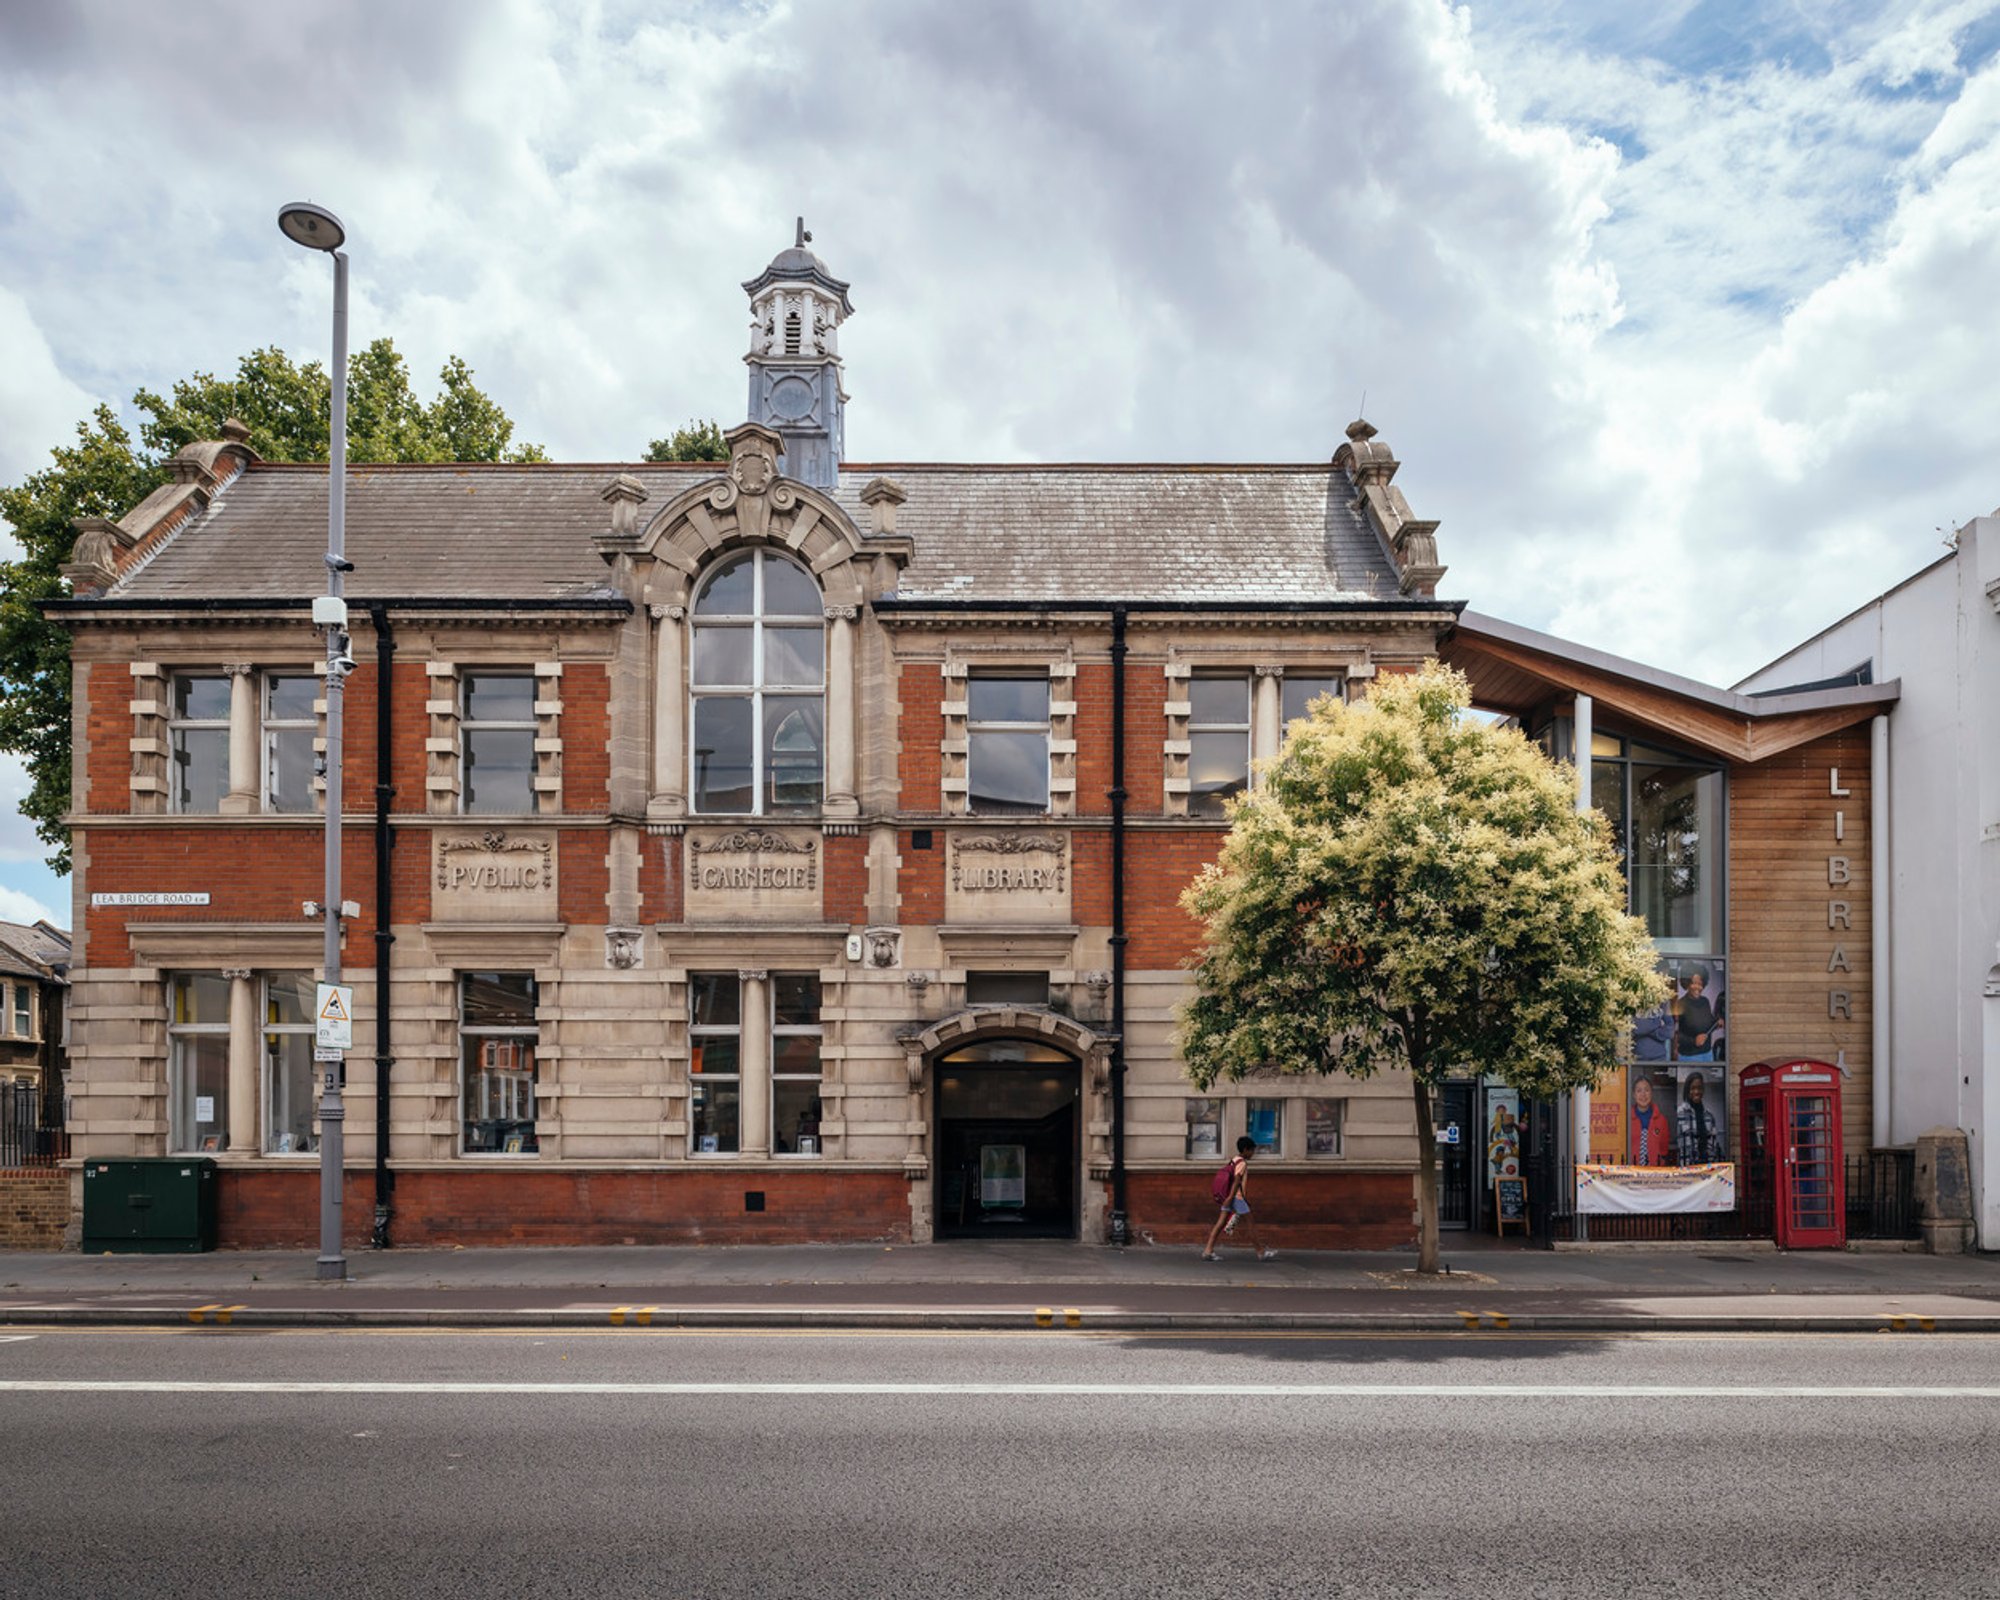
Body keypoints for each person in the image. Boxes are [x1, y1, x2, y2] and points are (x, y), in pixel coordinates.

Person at [1202, 1135, 1277, 1261]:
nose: (1253, 1153)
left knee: (1220, 1224)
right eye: (1252, 1150)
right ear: (1246, 1150)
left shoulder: (1234, 1159)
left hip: (1228, 1196)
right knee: (1250, 1224)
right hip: (1237, 1198)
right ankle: (1260, 1252)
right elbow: (1237, 1181)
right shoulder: (1242, 1163)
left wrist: (1228, 1198)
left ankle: (1208, 1250)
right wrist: (1231, 1197)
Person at [1628, 1074, 1675, 1166]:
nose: (1643, 1094)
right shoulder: (1626, 1119)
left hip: (1655, 1173)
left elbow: (1664, 1150)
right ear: (1633, 1094)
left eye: (1646, 1090)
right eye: (1639, 1091)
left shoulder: (1662, 1120)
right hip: (1631, 1172)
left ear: (1652, 1093)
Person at [1677, 1071, 1722, 1164]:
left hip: (1706, 1168)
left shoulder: (1709, 1116)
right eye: (1693, 1088)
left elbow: (1713, 1145)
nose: (1696, 1092)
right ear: (1687, 1090)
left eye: (1699, 1088)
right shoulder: (1679, 1113)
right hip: (1686, 1170)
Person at [1674, 969, 1718, 1062]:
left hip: (1708, 1054)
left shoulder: (1705, 1001)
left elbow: (1708, 1024)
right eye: (1694, 983)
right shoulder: (1680, 1004)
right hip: (1689, 1056)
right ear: (1687, 984)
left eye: (1700, 984)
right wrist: (1694, 1041)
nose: (1697, 987)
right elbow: (1676, 1034)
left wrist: (1717, 1023)